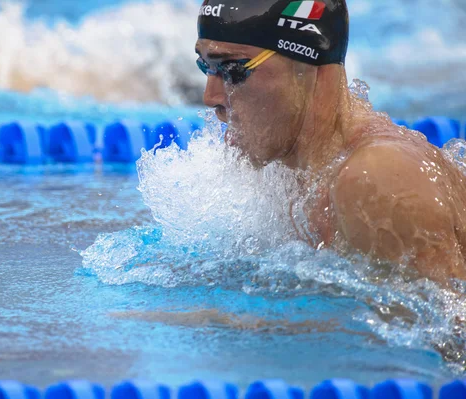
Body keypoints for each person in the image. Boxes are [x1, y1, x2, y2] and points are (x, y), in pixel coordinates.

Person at [195, 0, 466, 283]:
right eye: (205, 66)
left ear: (308, 65)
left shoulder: (377, 179)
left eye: (233, 70)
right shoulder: (287, 164)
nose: (210, 97)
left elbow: (448, 325)